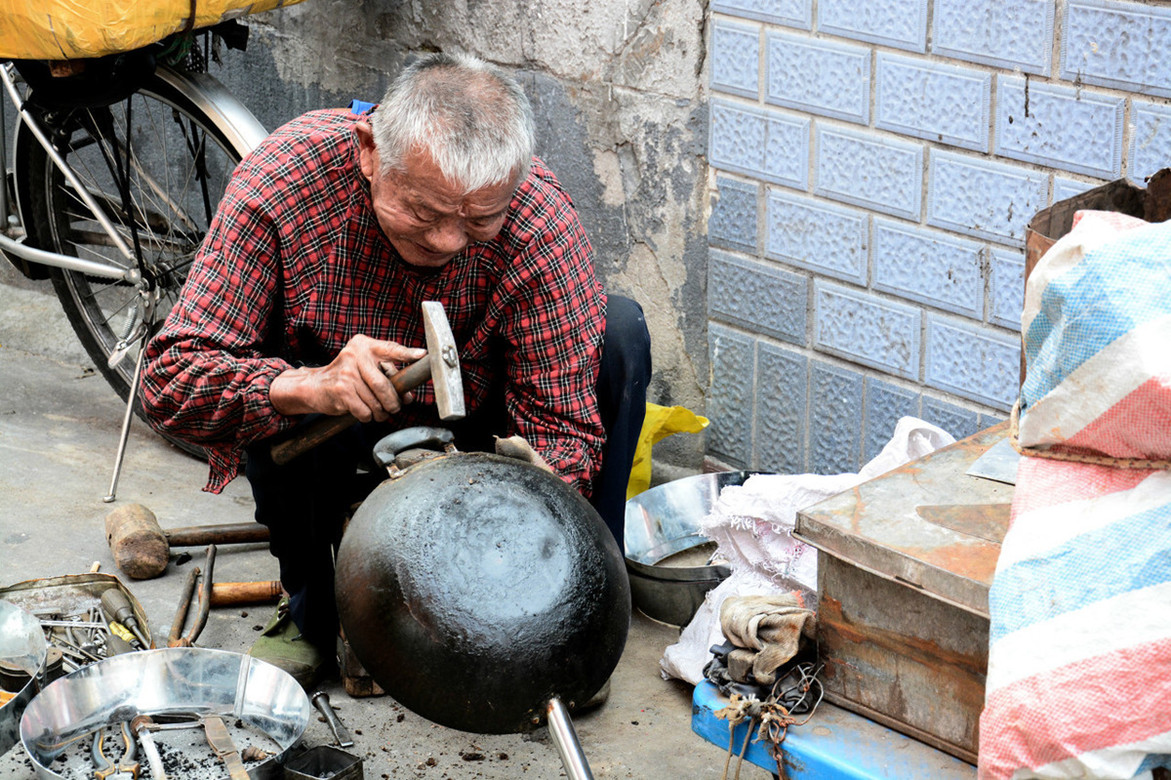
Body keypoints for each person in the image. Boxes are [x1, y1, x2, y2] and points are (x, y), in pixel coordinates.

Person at [141, 52, 651, 685]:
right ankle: (310, 606)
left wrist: (539, 482)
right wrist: (309, 384)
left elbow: (562, 430)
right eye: (424, 212)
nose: (446, 242)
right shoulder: (285, 181)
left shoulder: (539, 220)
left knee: (621, 333)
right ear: (368, 150)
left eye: (478, 220)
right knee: (276, 379)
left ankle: (569, 622)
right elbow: (170, 379)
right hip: (337, 419)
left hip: (480, 422)